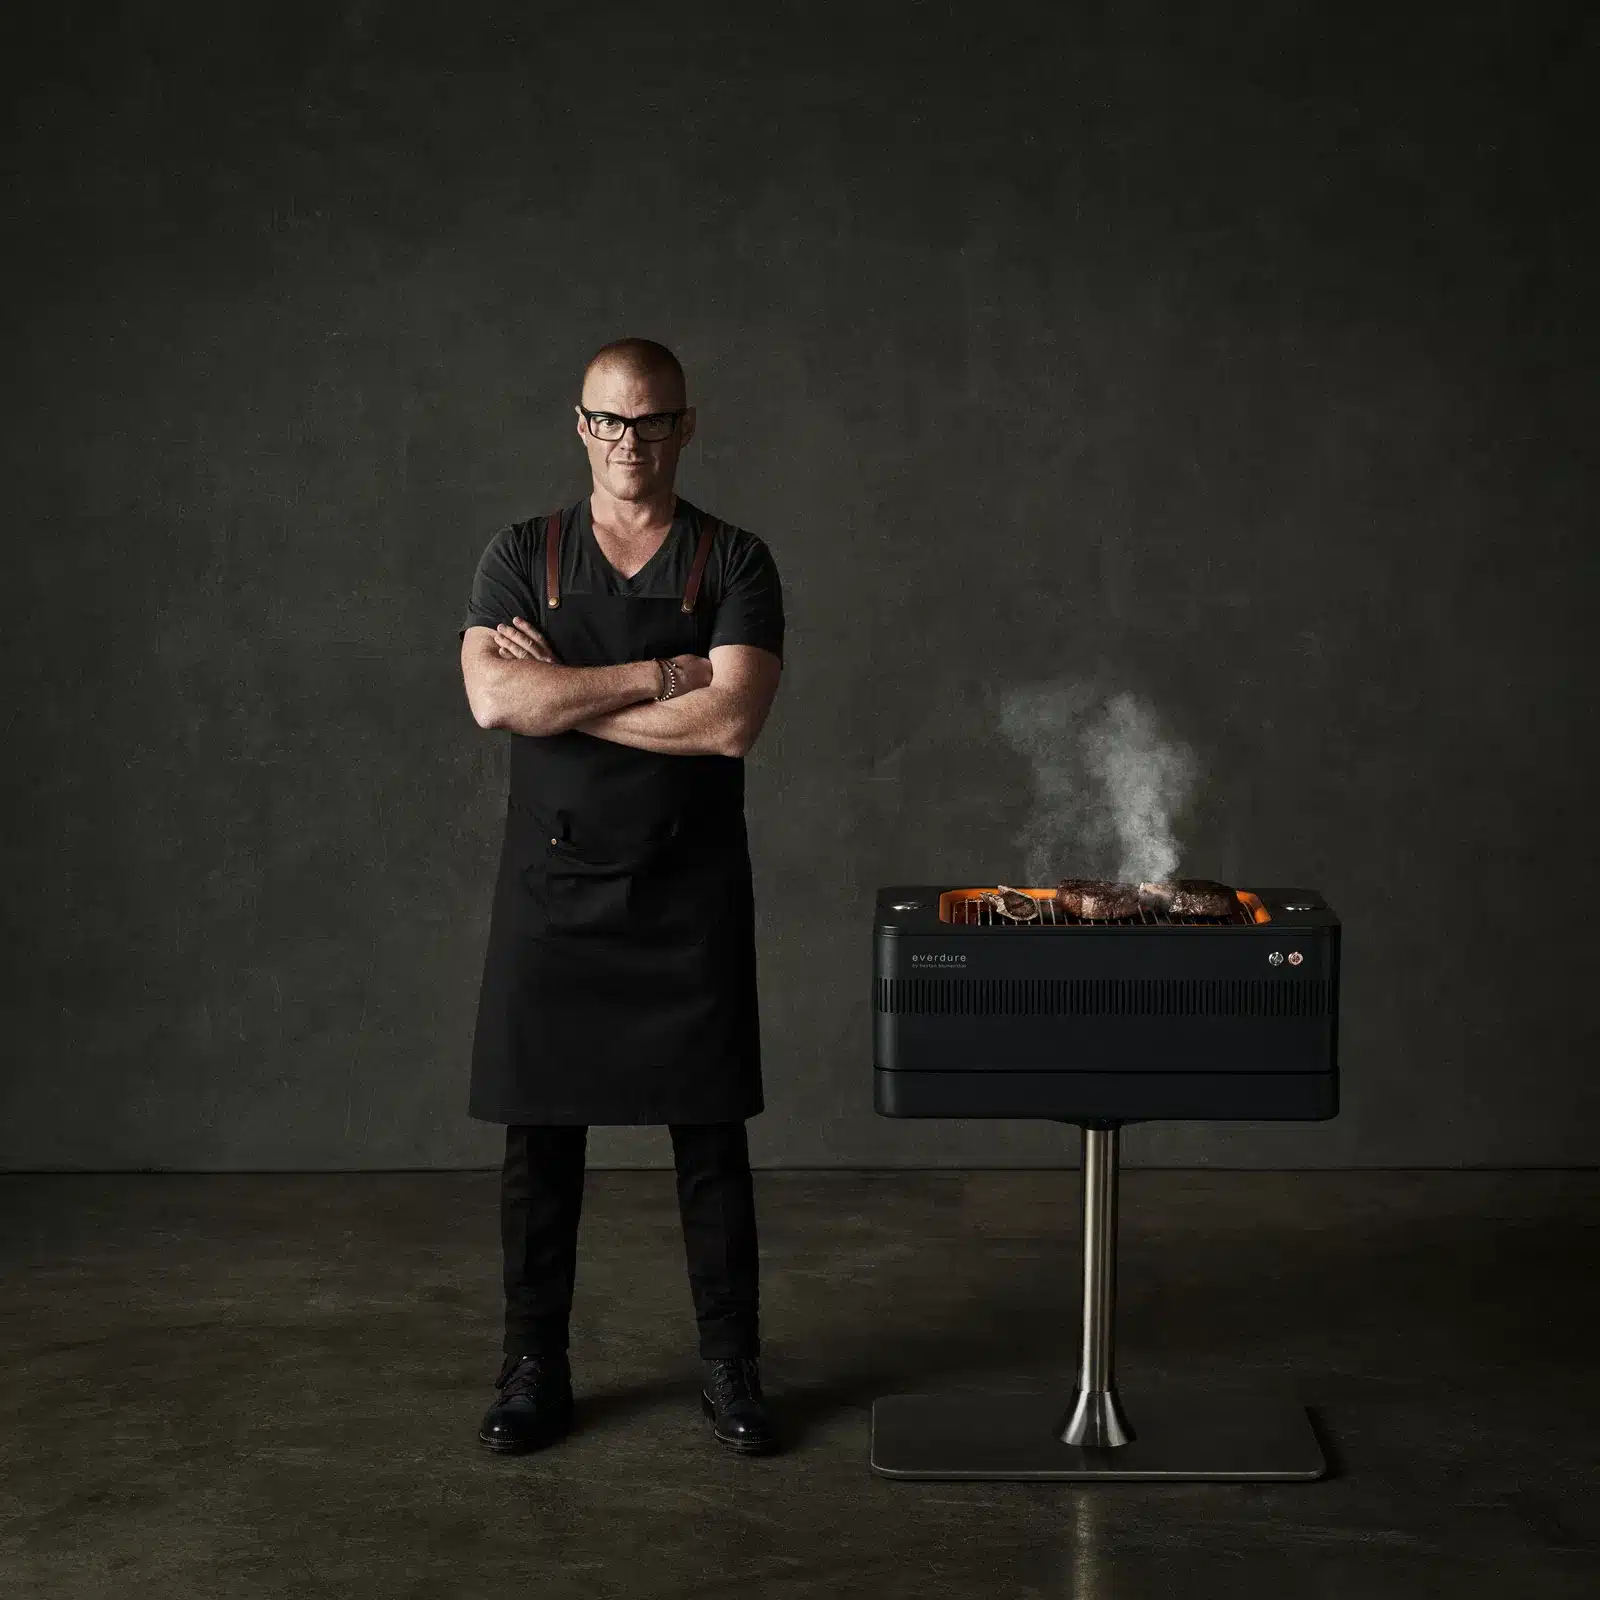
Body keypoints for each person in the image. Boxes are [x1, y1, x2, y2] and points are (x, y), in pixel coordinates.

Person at [457, 338, 785, 1456]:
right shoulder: (521, 552)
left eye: (649, 421)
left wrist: (562, 693)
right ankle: (531, 1367)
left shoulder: (735, 560)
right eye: (608, 420)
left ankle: (732, 1367)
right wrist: (655, 676)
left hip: (687, 887)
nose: (627, 441)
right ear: (580, 425)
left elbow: (731, 721)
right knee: (540, 1142)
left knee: (711, 1138)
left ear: (685, 426)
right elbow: (492, 699)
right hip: (553, 889)